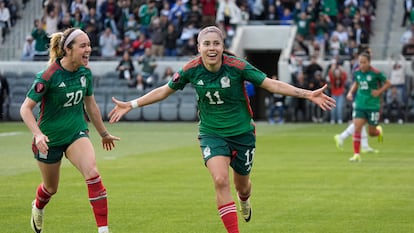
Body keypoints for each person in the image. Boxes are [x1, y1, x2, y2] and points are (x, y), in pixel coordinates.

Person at [107, 26, 335, 233]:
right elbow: (165, 90)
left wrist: (307, 94)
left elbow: (271, 84)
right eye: (206, 44)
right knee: (219, 179)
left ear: (223, 46)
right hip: (211, 133)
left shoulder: (237, 67)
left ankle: (244, 201)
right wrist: (132, 104)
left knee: (242, 187)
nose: (211, 48)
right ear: (199, 47)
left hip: (242, 133)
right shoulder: (191, 69)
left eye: (216, 43)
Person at [19, 27, 120, 233]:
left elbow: (90, 105)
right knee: (51, 188)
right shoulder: (48, 75)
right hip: (49, 140)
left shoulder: (85, 73)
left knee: (92, 173)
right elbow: (25, 108)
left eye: (89, 45)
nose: (88, 49)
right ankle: (37, 206)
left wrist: (103, 133)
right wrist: (38, 134)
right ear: (68, 49)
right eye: (83, 45)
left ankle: (103, 230)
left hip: (76, 133)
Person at [346, 51, 391, 162]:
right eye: (360, 62)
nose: (361, 65)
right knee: (357, 128)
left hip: (373, 105)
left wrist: (379, 91)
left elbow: (388, 83)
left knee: (371, 133)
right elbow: (357, 83)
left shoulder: (376, 73)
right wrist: (350, 92)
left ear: (369, 62)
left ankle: (378, 131)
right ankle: (356, 154)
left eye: (364, 62)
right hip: (360, 103)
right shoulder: (357, 72)